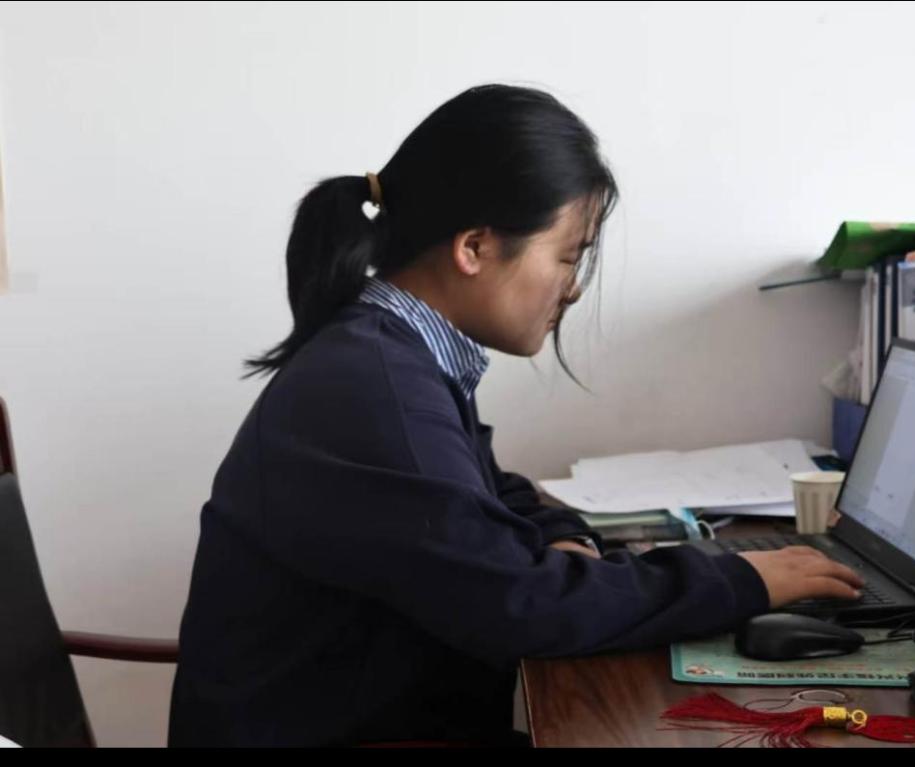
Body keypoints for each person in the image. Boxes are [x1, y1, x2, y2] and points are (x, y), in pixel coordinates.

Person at [168, 83, 863, 747]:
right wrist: (741, 580)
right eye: (567, 257)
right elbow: (521, 606)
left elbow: (493, 493)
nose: (573, 288)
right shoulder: (373, 386)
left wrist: (568, 539)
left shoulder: (393, 355)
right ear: (474, 247)